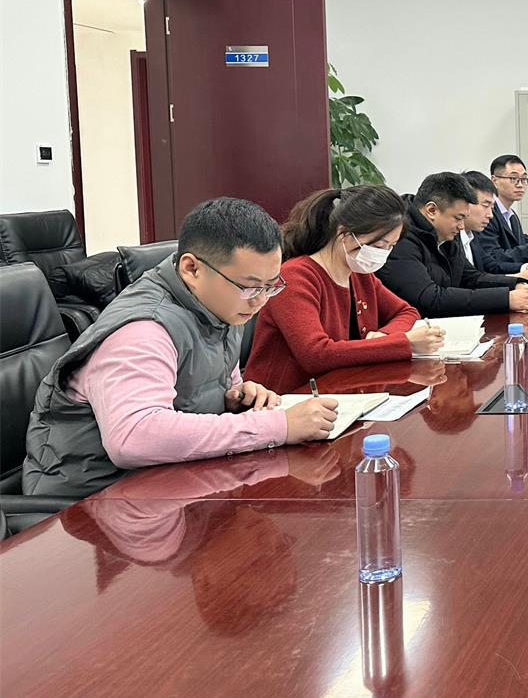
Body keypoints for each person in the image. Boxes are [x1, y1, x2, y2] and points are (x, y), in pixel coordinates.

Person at [23, 197, 341, 499]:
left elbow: (212, 383)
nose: (259, 301)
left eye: (270, 286)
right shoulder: (144, 330)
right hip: (89, 503)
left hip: (168, 483)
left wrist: (238, 397)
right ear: (191, 269)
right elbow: (134, 436)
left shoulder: (221, 306)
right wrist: (277, 426)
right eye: (249, 286)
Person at [245, 186, 445, 394]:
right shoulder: (296, 277)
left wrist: (384, 336)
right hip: (284, 400)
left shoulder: (359, 274)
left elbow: (406, 311)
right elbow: (316, 355)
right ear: (344, 233)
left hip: (341, 391)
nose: (383, 254)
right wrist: (403, 343)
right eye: (379, 245)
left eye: (391, 246)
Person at [378, 172, 528, 316]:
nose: (461, 226)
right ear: (432, 210)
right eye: (458, 218)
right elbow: (429, 298)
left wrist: (514, 284)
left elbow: (469, 277)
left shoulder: (444, 231)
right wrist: (505, 299)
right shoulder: (400, 238)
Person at [462, 169, 528, 282]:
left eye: (524, 179)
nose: (520, 185)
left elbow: (491, 265)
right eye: (513, 178)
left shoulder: (512, 216)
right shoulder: (452, 241)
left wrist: (527, 267)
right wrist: (517, 279)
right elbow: (473, 279)